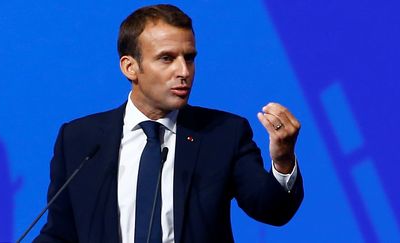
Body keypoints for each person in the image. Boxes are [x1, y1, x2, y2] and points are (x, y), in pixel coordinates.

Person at [34, 4, 303, 243]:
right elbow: (61, 232)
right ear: (130, 67)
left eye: (189, 57)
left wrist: (283, 161)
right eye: (167, 58)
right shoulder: (79, 139)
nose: (184, 72)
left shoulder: (223, 134)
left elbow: (272, 210)